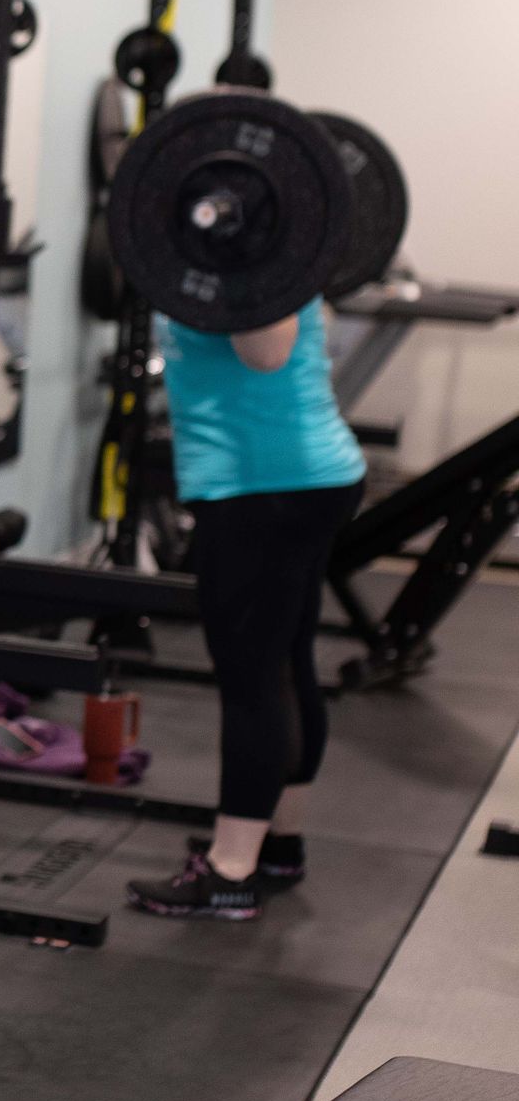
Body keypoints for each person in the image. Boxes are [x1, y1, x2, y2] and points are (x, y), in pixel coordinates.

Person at [127, 298, 365, 923]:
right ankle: (279, 842)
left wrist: (241, 266)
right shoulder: (262, 238)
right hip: (295, 477)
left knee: (253, 678)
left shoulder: (256, 247)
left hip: (263, 489)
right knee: (286, 663)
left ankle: (231, 871)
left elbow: (268, 351)